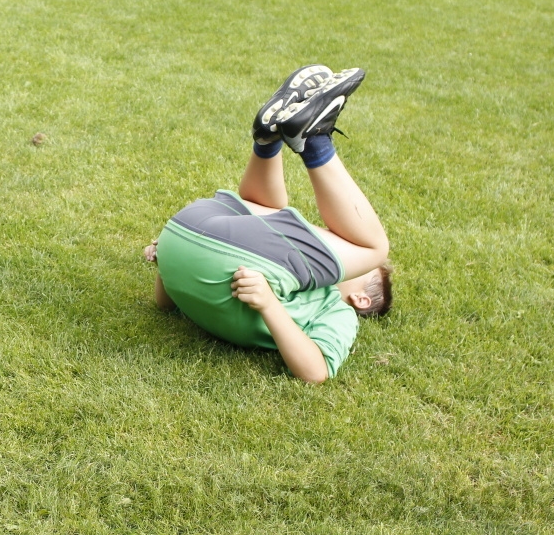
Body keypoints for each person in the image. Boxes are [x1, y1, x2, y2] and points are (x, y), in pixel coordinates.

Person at [144, 65, 393, 383]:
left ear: (361, 298)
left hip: (187, 229)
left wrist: (269, 304)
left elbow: (316, 372)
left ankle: (303, 140)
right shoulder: (294, 274)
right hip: (188, 231)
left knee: (374, 248)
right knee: (270, 212)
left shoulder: (338, 310)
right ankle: (270, 139)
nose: (337, 241)